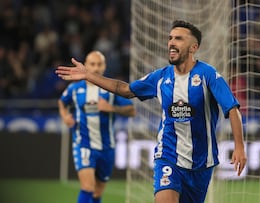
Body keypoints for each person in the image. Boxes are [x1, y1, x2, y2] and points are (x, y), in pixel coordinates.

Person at [56, 20, 247, 203]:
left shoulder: (208, 75)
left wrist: (239, 146)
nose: (171, 43)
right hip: (168, 156)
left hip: (202, 163)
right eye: (170, 38)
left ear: (193, 47)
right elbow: (126, 89)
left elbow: (232, 108)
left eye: (178, 39)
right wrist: (90, 75)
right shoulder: (160, 77)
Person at [58, 51, 136, 203]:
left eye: (99, 64)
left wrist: (112, 108)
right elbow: (62, 102)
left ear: (104, 66)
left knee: (97, 193)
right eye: (92, 64)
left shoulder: (111, 89)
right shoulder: (75, 89)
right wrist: (65, 116)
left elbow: (132, 111)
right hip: (84, 144)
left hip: (107, 147)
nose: (95, 68)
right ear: (86, 65)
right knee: (88, 187)